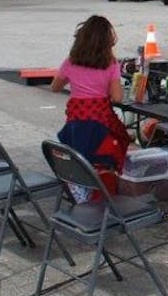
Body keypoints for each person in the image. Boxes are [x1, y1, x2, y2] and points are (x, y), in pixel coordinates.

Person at [51, 15, 132, 195]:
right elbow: (117, 98)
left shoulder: (70, 61)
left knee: (78, 158)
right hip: (101, 126)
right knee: (121, 142)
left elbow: (55, 87)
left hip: (76, 126)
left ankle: (79, 189)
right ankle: (103, 188)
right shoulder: (111, 64)